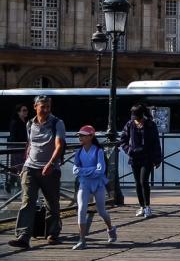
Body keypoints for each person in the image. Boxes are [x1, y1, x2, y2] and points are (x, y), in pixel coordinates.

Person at [8, 95, 65, 249]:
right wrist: (24, 165)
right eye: (43, 106)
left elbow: (59, 145)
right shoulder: (29, 124)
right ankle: (23, 236)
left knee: (52, 203)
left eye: (48, 106)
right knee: (27, 201)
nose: (46, 109)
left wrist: (51, 164)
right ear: (35, 107)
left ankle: (52, 234)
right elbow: (30, 144)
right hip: (30, 168)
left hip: (50, 169)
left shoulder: (57, 123)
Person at [71, 125, 117, 250]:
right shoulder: (79, 152)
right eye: (79, 135)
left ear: (91, 136)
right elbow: (75, 170)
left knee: (101, 211)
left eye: (83, 135)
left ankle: (110, 228)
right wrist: (90, 170)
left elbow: (100, 170)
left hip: (98, 184)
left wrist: (83, 171)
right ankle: (82, 240)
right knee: (81, 209)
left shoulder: (98, 151)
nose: (80, 137)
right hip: (84, 184)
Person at [120, 104, 163, 218]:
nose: (135, 119)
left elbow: (156, 142)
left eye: (136, 116)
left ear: (141, 115)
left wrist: (157, 159)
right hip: (134, 157)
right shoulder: (129, 124)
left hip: (147, 157)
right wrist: (128, 150)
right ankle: (142, 206)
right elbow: (123, 140)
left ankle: (147, 206)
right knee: (137, 183)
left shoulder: (150, 124)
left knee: (144, 181)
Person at [5, 104, 29, 192]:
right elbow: (14, 136)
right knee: (18, 167)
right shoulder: (15, 122)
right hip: (17, 147)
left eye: (26, 110)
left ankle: (12, 183)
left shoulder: (25, 122)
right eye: (24, 110)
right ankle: (17, 185)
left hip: (23, 147)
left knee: (18, 167)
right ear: (18, 112)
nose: (26, 112)